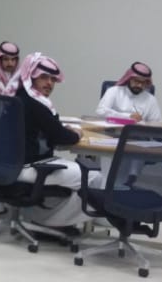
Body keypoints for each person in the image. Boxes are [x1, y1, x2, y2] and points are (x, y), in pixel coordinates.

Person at [14, 52, 100, 231]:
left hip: (14, 165)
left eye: (53, 79)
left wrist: (60, 129)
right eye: (44, 77)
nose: (49, 83)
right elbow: (61, 137)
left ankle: (41, 218)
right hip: (33, 167)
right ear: (31, 77)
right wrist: (77, 134)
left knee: (75, 174)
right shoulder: (36, 104)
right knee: (94, 177)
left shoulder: (20, 97)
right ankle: (54, 223)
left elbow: (48, 127)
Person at [96, 62, 162, 123]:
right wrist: (128, 116)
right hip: (112, 130)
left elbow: (156, 123)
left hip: (137, 131)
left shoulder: (151, 99)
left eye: (143, 83)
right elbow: (100, 112)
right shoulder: (114, 91)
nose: (140, 85)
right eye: (136, 81)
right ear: (129, 79)